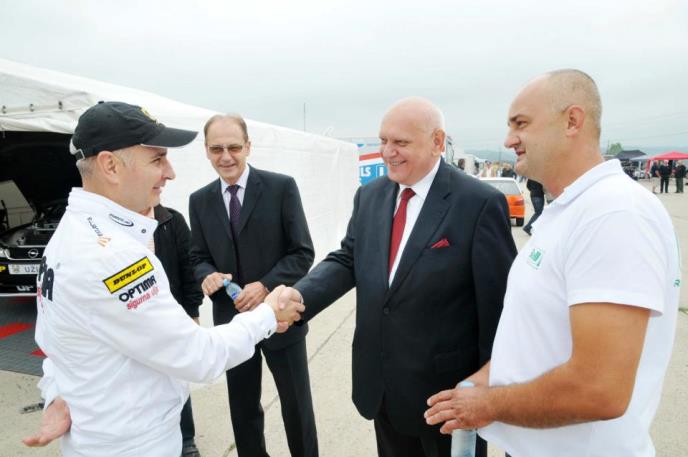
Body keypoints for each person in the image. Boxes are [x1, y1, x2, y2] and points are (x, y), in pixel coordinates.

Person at [23, 102, 304, 457]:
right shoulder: (115, 256)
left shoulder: (69, 235)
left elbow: (57, 343)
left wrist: (59, 394)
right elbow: (198, 356)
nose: (169, 173)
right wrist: (269, 314)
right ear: (110, 165)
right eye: (157, 159)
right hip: (137, 445)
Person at [425, 69, 680, 457]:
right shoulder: (571, 210)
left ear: (572, 121)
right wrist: (481, 383)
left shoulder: (614, 213)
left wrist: (487, 405)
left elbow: (599, 389)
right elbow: (539, 338)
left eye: (521, 124)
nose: (508, 139)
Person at [278, 97, 517, 457]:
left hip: (447, 398)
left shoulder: (478, 203)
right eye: (383, 140)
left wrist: (489, 384)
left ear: (437, 142)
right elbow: (348, 258)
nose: (388, 152)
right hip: (382, 389)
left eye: (401, 142)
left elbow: (499, 305)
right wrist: (301, 296)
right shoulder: (370, 196)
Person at [189, 114, 318, 457]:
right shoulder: (199, 200)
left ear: (248, 146)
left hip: (282, 317)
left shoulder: (281, 188)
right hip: (232, 323)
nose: (226, 156)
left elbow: (302, 252)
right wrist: (206, 274)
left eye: (233, 147)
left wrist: (265, 285)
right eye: (217, 149)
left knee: (296, 407)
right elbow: (198, 257)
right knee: (243, 408)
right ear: (206, 150)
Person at [147, 204, 204, 457]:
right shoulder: (115, 225)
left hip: (174, 317)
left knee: (177, 376)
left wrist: (193, 313)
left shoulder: (171, 220)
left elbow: (190, 269)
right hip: (138, 321)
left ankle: (186, 439)